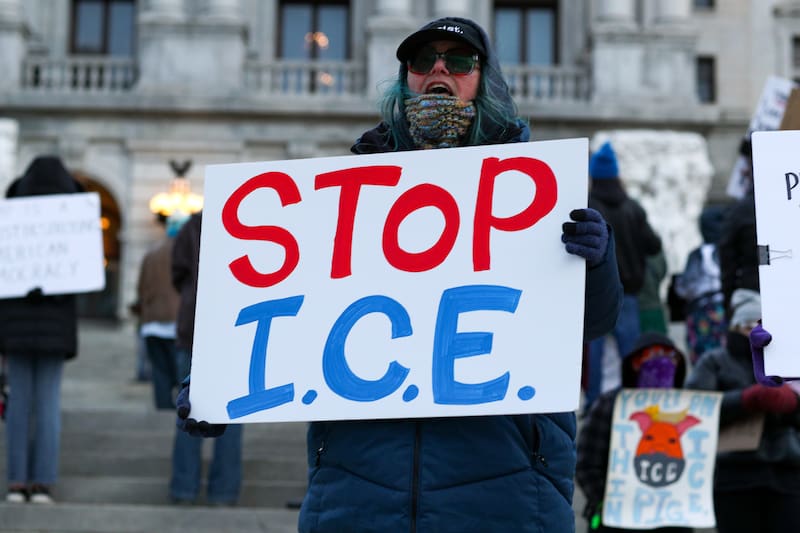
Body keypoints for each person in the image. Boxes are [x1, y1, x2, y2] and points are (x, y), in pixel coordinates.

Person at [176, 16, 623, 531]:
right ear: (405, 78)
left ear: (485, 80)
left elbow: (594, 322)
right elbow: (296, 313)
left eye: (459, 61)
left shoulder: (537, 191)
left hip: (506, 485)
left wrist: (598, 259)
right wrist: (218, 382)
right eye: (421, 61)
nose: (439, 69)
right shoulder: (342, 195)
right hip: (360, 487)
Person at [0, 156, 85, 503]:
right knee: (49, 404)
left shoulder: (13, 209)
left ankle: (17, 482)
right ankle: (43, 483)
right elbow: (81, 273)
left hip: (15, 325)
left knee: (19, 403)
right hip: (55, 327)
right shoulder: (74, 212)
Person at [685, 289, 800, 533]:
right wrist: (746, 400)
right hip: (733, 475)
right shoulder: (714, 361)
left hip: (787, 473)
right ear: (734, 327)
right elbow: (694, 408)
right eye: (747, 325)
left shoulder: (789, 363)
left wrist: (792, 405)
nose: (753, 332)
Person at [576, 332, 691, 533]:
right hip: (618, 521)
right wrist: (609, 501)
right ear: (634, 363)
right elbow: (586, 464)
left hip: (672, 520)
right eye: (651, 355)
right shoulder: (610, 404)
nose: (661, 361)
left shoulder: (689, 409)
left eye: (669, 356)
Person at [170, 211, 244, 505]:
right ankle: (224, 491)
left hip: (195, 323)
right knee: (232, 412)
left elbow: (178, 271)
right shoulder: (250, 222)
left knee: (188, 408)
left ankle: (183, 487)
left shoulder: (194, 224)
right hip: (236, 325)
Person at [585, 141, 662, 413]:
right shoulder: (632, 208)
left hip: (595, 290)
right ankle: (634, 404)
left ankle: (593, 403)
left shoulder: (588, 206)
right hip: (629, 292)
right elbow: (654, 245)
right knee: (630, 351)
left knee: (595, 352)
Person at [134, 212, 188, 409]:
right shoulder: (188, 253)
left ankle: (162, 405)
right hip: (177, 321)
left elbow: (140, 287)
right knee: (180, 369)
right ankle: (180, 405)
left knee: (159, 369)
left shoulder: (151, 253)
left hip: (152, 322)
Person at [673, 205, 727, 363]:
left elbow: (685, 288)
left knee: (703, 359)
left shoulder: (696, 255)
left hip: (700, 312)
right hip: (725, 310)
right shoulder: (728, 251)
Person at [718, 138, 759, 320]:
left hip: (751, 301)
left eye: (748, 164)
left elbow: (728, 262)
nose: (743, 171)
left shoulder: (741, 212)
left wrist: (729, 303)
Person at [637, 250, 668, 335]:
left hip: (635, 309)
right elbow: (664, 271)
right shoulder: (655, 249)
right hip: (655, 307)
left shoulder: (625, 245)